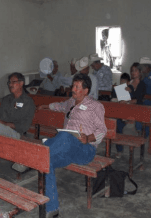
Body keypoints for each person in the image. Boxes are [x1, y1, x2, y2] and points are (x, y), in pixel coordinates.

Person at [38, 73, 107, 218]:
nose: (73, 89)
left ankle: (37, 152)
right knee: (46, 163)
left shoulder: (95, 106)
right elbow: (59, 106)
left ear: (86, 90)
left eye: (77, 87)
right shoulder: (71, 102)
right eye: (73, 85)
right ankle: (52, 209)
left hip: (85, 150)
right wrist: (46, 106)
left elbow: (102, 130)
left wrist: (88, 138)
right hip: (66, 149)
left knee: (64, 136)